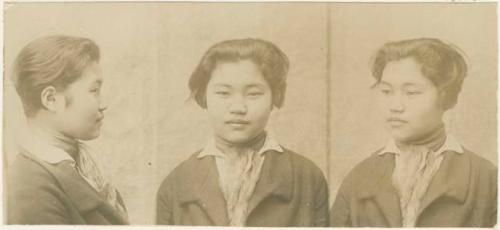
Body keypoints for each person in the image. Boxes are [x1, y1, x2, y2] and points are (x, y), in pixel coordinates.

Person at [156, 38, 329, 226]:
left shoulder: (307, 177)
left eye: (253, 93)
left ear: (275, 97)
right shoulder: (176, 183)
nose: (238, 107)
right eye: (223, 93)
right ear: (204, 96)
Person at [329, 38, 497, 227]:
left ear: (446, 97)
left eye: (411, 93)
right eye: (386, 91)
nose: (395, 106)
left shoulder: (486, 178)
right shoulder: (359, 178)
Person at [6, 35, 128, 225]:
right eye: (94, 90)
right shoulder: (29, 187)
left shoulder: (84, 167)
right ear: (51, 99)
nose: (104, 104)